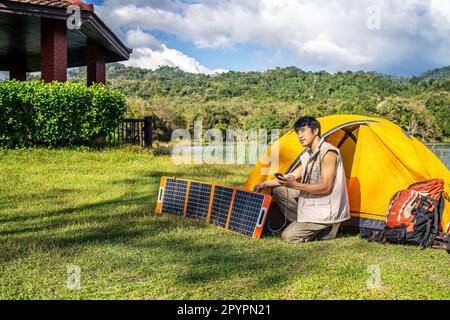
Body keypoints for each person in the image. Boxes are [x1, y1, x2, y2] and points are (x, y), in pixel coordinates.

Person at [253, 116, 350, 243]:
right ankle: (306, 225)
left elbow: (326, 187)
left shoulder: (328, 152)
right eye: (298, 132)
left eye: (303, 130)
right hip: (314, 205)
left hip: (326, 210)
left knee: (288, 236)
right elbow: (291, 176)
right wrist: (264, 183)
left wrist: (295, 185)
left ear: (315, 131)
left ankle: (329, 227)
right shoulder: (308, 155)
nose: (300, 136)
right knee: (280, 190)